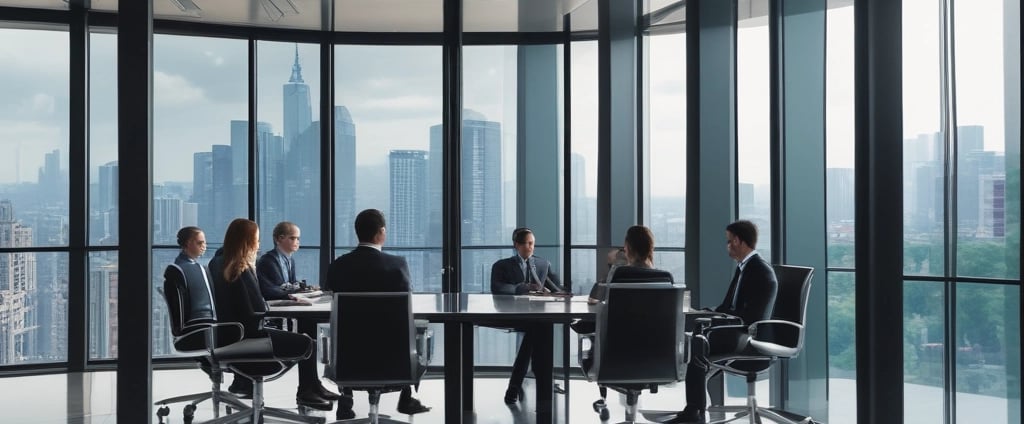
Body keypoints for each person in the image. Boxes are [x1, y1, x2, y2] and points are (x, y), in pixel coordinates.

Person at [208, 218, 334, 412]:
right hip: (249, 337)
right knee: (308, 342)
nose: (259, 245)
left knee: (303, 335)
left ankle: (311, 388)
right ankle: (306, 392)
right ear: (247, 242)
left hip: (229, 335)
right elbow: (259, 307)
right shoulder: (241, 269)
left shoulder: (220, 264)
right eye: (256, 240)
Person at [325, 209, 431, 419]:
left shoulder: (339, 265)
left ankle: (346, 400)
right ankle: (406, 397)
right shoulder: (397, 265)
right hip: (394, 361)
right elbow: (405, 299)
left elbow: (332, 296)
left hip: (348, 360)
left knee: (349, 333)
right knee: (401, 329)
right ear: (381, 232)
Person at [672, 220, 778, 424]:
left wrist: (719, 319)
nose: (727, 246)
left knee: (698, 346)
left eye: (729, 241)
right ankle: (697, 409)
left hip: (749, 338)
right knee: (696, 335)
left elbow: (752, 318)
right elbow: (728, 306)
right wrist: (706, 313)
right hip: (739, 331)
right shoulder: (744, 268)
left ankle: (694, 412)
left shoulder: (759, 271)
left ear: (738, 241)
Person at [573, 226, 674, 418]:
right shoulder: (664, 277)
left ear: (627, 248)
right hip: (657, 359)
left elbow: (593, 299)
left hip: (616, 359)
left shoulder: (619, 275)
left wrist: (613, 265)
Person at [254, 222, 344, 404]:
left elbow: (290, 284)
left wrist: (305, 290)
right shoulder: (268, 260)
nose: (297, 242)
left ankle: (312, 385)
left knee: (310, 324)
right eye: (293, 238)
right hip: (275, 315)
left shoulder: (289, 260)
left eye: (298, 238)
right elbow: (270, 290)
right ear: (279, 239)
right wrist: (293, 294)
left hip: (287, 307)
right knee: (308, 329)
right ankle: (307, 388)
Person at [490, 227, 565, 404]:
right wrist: (520, 288)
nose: (530, 247)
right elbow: (497, 288)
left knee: (536, 330)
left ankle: (514, 387)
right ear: (516, 245)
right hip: (512, 313)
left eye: (532, 243)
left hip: (536, 315)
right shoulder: (501, 266)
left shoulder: (542, 264)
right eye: (525, 244)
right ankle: (544, 382)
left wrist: (559, 293)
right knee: (540, 330)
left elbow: (557, 288)